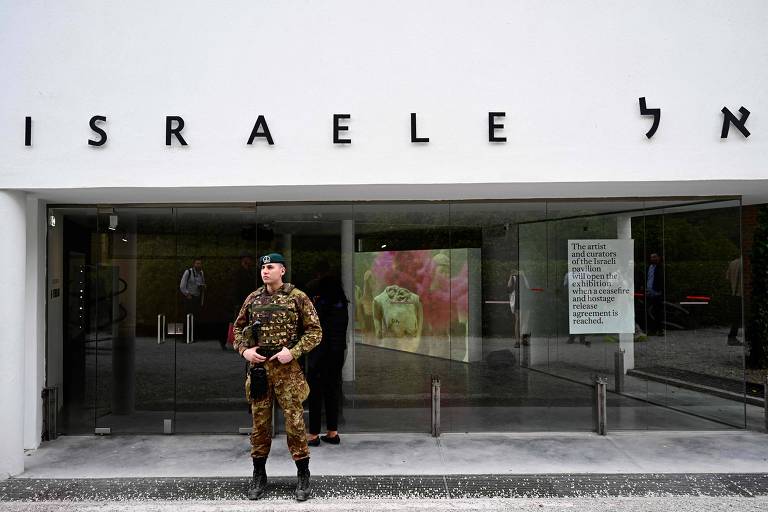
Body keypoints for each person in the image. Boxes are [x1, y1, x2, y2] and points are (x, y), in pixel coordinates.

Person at [232, 253, 322, 501]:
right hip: (260, 370)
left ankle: (303, 476)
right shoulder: (253, 298)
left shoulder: (297, 297)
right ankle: (258, 475)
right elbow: (237, 328)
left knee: (295, 424)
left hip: (288, 371)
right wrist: (245, 350)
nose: (265, 271)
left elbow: (315, 331)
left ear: (282, 270)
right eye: (263, 267)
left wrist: (292, 352)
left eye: (270, 267)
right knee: (259, 425)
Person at [305, 268, 349, 447]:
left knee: (315, 393)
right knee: (332, 391)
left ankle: (313, 434)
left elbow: (313, 325)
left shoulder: (322, 305)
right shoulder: (342, 304)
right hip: (337, 353)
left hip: (320, 353)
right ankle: (333, 432)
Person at [221, 251, 257, 350]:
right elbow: (235, 288)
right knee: (236, 321)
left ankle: (242, 342)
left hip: (247, 300)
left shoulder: (250, 272)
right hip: (239, 301)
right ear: (244, 260)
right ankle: (230, 341)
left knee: (244, 321)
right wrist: (235, 302)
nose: (250, 261)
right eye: (248, 259)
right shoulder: (238, 272)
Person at [645, 252, 665, 336]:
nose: (653, 258)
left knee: (658, 312)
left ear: (658, 258)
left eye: (655, 257)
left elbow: (662, 279)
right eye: (652, 257)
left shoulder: (660, 267)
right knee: (649, 312)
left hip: (656, 293)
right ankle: (652, 330)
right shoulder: (648, 267)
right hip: (649, 292)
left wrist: (660, 290)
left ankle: (660, 330)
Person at [725, 257, 743, 345]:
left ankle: (732, 337)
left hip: (734, 293)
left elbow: (727, 278)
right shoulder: (746, 263)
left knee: (736, 318)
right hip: (742, 293)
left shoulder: (732, 263)